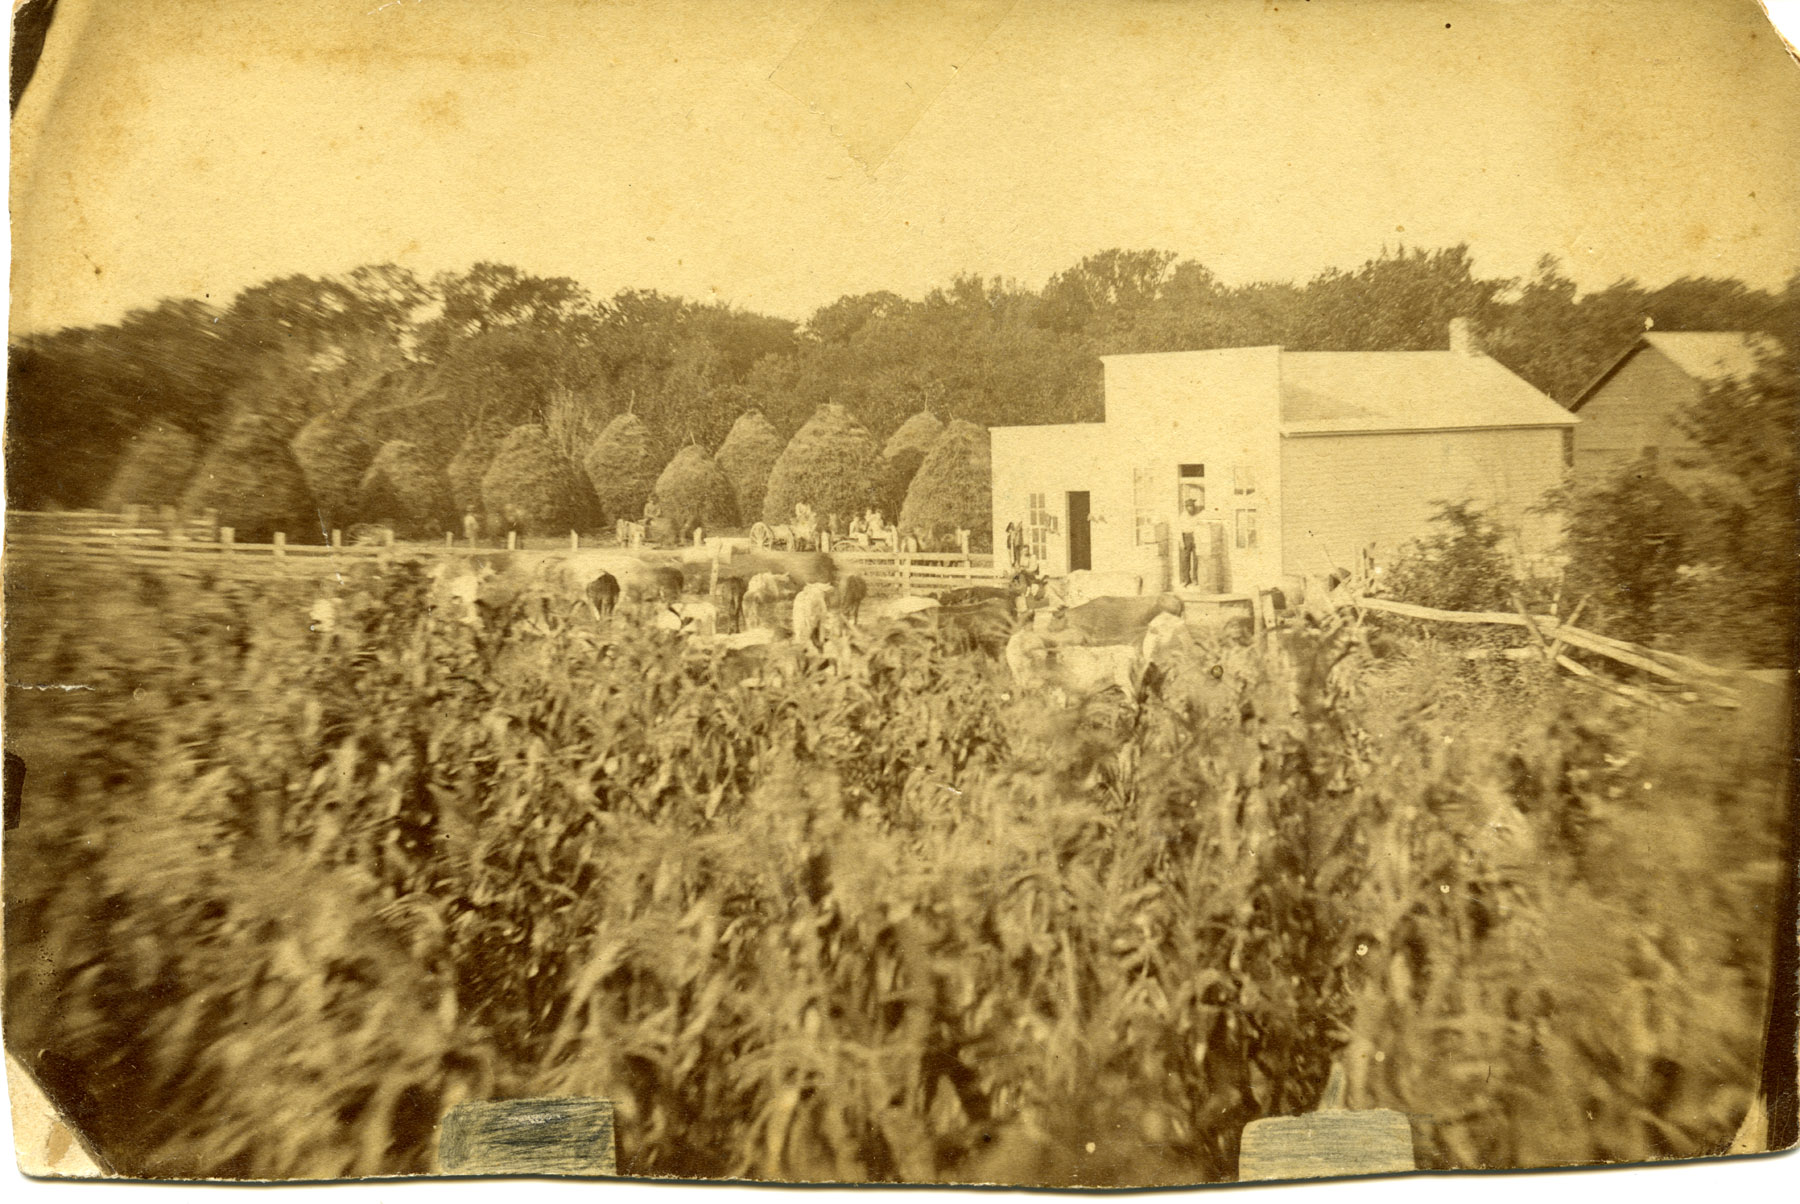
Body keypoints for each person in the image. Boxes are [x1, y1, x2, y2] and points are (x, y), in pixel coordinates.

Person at [1178, 498, 1203, 588]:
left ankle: (1195, 578)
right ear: (1186, 507)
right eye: (1188, 507)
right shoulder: (1182, 516)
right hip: (1186, 537)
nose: (1190, 508)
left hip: (1195, 537)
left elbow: (1200, 527)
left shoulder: (1197, 516)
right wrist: (1182, 542)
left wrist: (1199, 539)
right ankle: (1186, 579)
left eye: (1192, 506)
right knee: (1185, 559)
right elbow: (1179, 530)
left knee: (1196, 559)